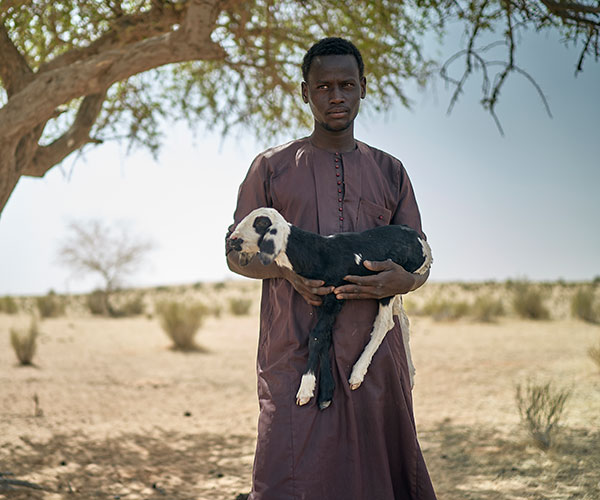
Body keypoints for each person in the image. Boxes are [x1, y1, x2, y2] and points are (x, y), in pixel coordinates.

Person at [226, 37, 437, 500]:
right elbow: (235, 253)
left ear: (363, 88)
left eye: (346, 84)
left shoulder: (391, 171)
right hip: (294, 348)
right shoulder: (271, 169)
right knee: (290, 467)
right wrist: (285, 272)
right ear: (305, 92)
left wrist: (410, 281)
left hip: (373, 355)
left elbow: (420, 252)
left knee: (378, 470)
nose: (335, 96)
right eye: (323, 86)